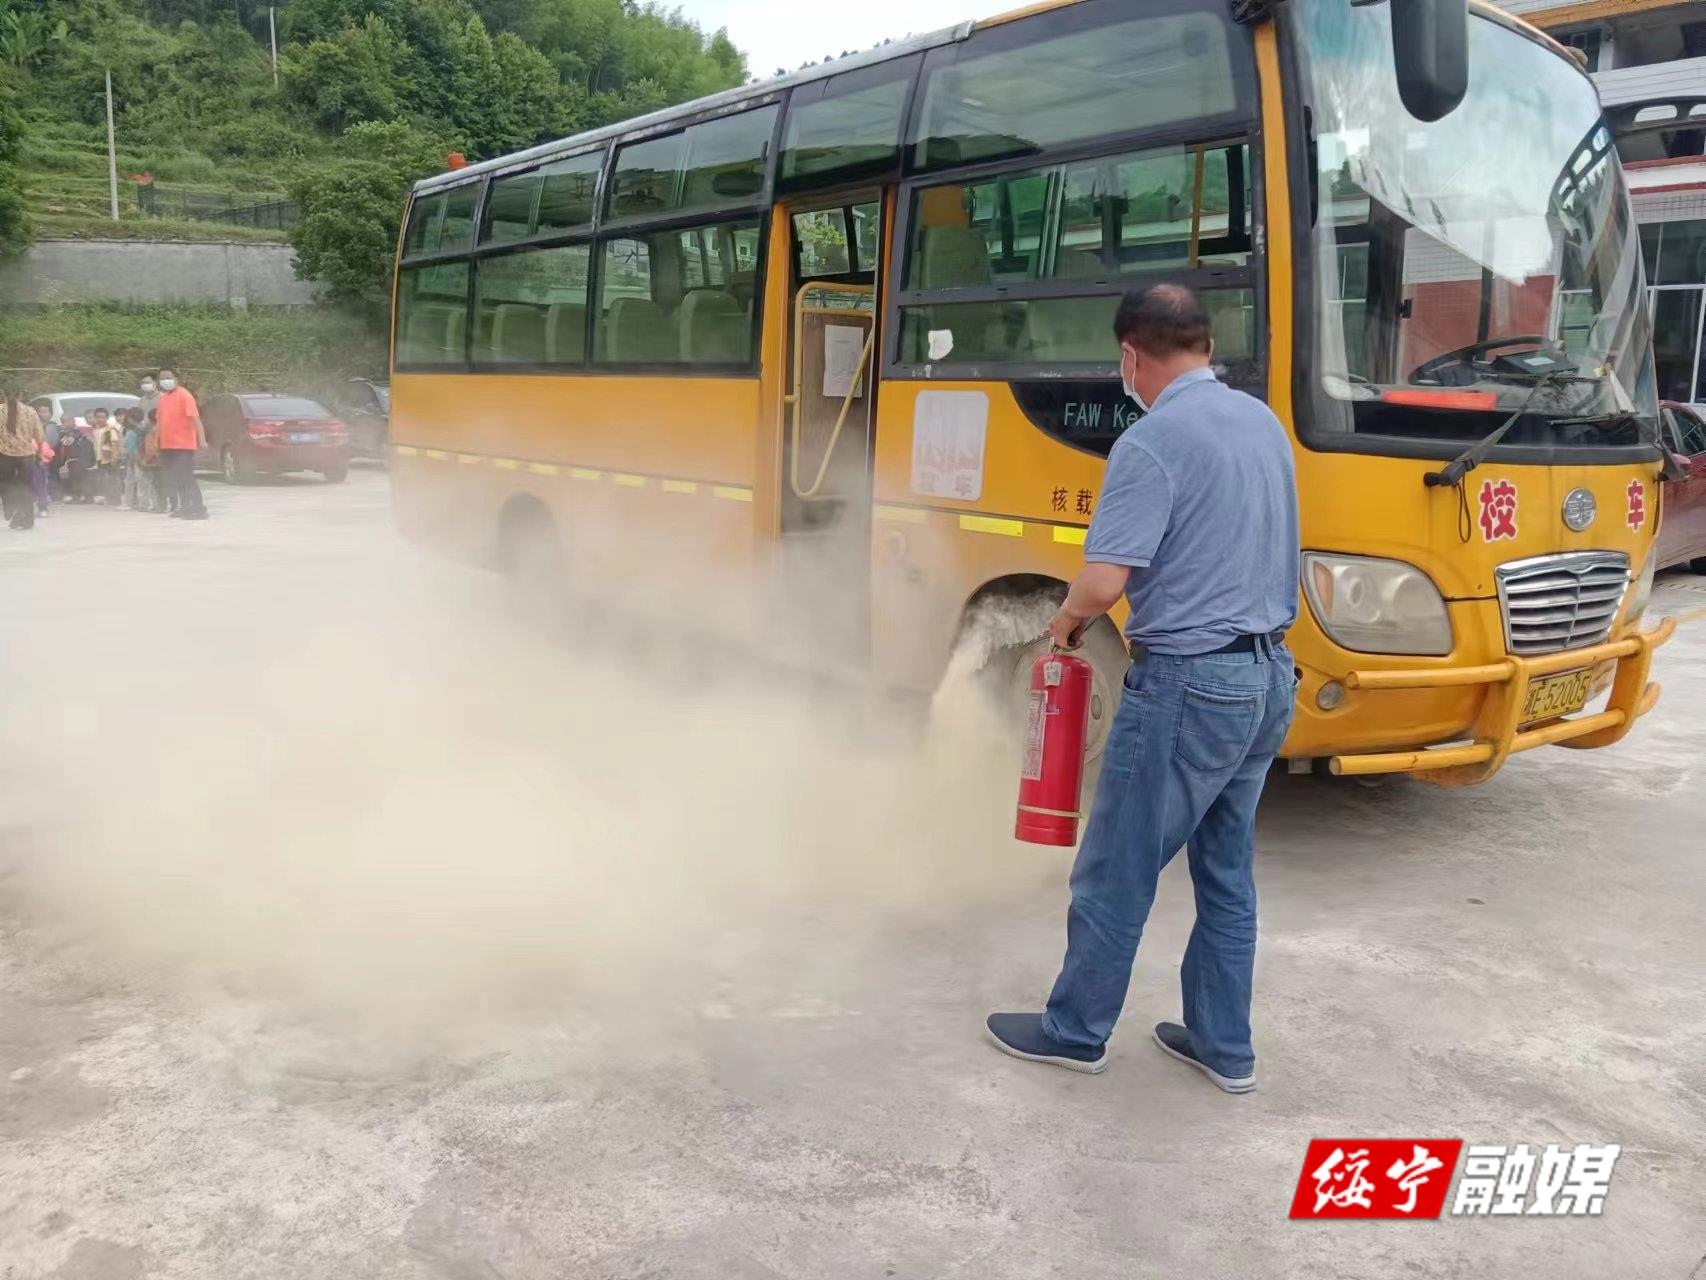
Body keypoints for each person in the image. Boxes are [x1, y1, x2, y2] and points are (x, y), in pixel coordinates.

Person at [985, 284, 1300, 1093]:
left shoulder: (1152, 442)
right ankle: (1224, 1045)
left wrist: (1061, 627)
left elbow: (1103, 582)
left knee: (1117, 866)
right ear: (1205, 346)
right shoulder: (1262, 423)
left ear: (1130, 356)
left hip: (1191, 686)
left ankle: (1074, 1032)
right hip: (1269, 678)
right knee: (1226, 871)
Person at [153, 367, 207, 520]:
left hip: (183, 446)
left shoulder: (185, 396)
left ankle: (199, 509)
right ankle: (185, 508)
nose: (165, 381)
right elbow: (159, 422)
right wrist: (156, 442)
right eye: (162, 378)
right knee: (175, 478)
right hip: (167, 446)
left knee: (186, 477)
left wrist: (202, 440)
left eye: (168, 377)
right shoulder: (163, 399)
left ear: (176, 379)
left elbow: (195, 419)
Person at [0, 388, 43, 530]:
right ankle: (27, 519)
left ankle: (10, 508)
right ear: (21, 395)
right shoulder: (30, 411)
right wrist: (40, 453)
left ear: (3, 394)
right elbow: (39, 435)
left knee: (6, 484)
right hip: (26, 456)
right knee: (26, 487)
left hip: (4, 455)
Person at [91, 407, 123, 505]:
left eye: (103, 417)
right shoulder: (95, 430)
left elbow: (114, 445)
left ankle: (115, 499)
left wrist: (114, 458)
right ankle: (109, 498)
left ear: (107, 418)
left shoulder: (110, 430)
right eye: (98, 417)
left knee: (112, 479)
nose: (100, 419)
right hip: (100, 458)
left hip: (109, 459)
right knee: (105, 480)